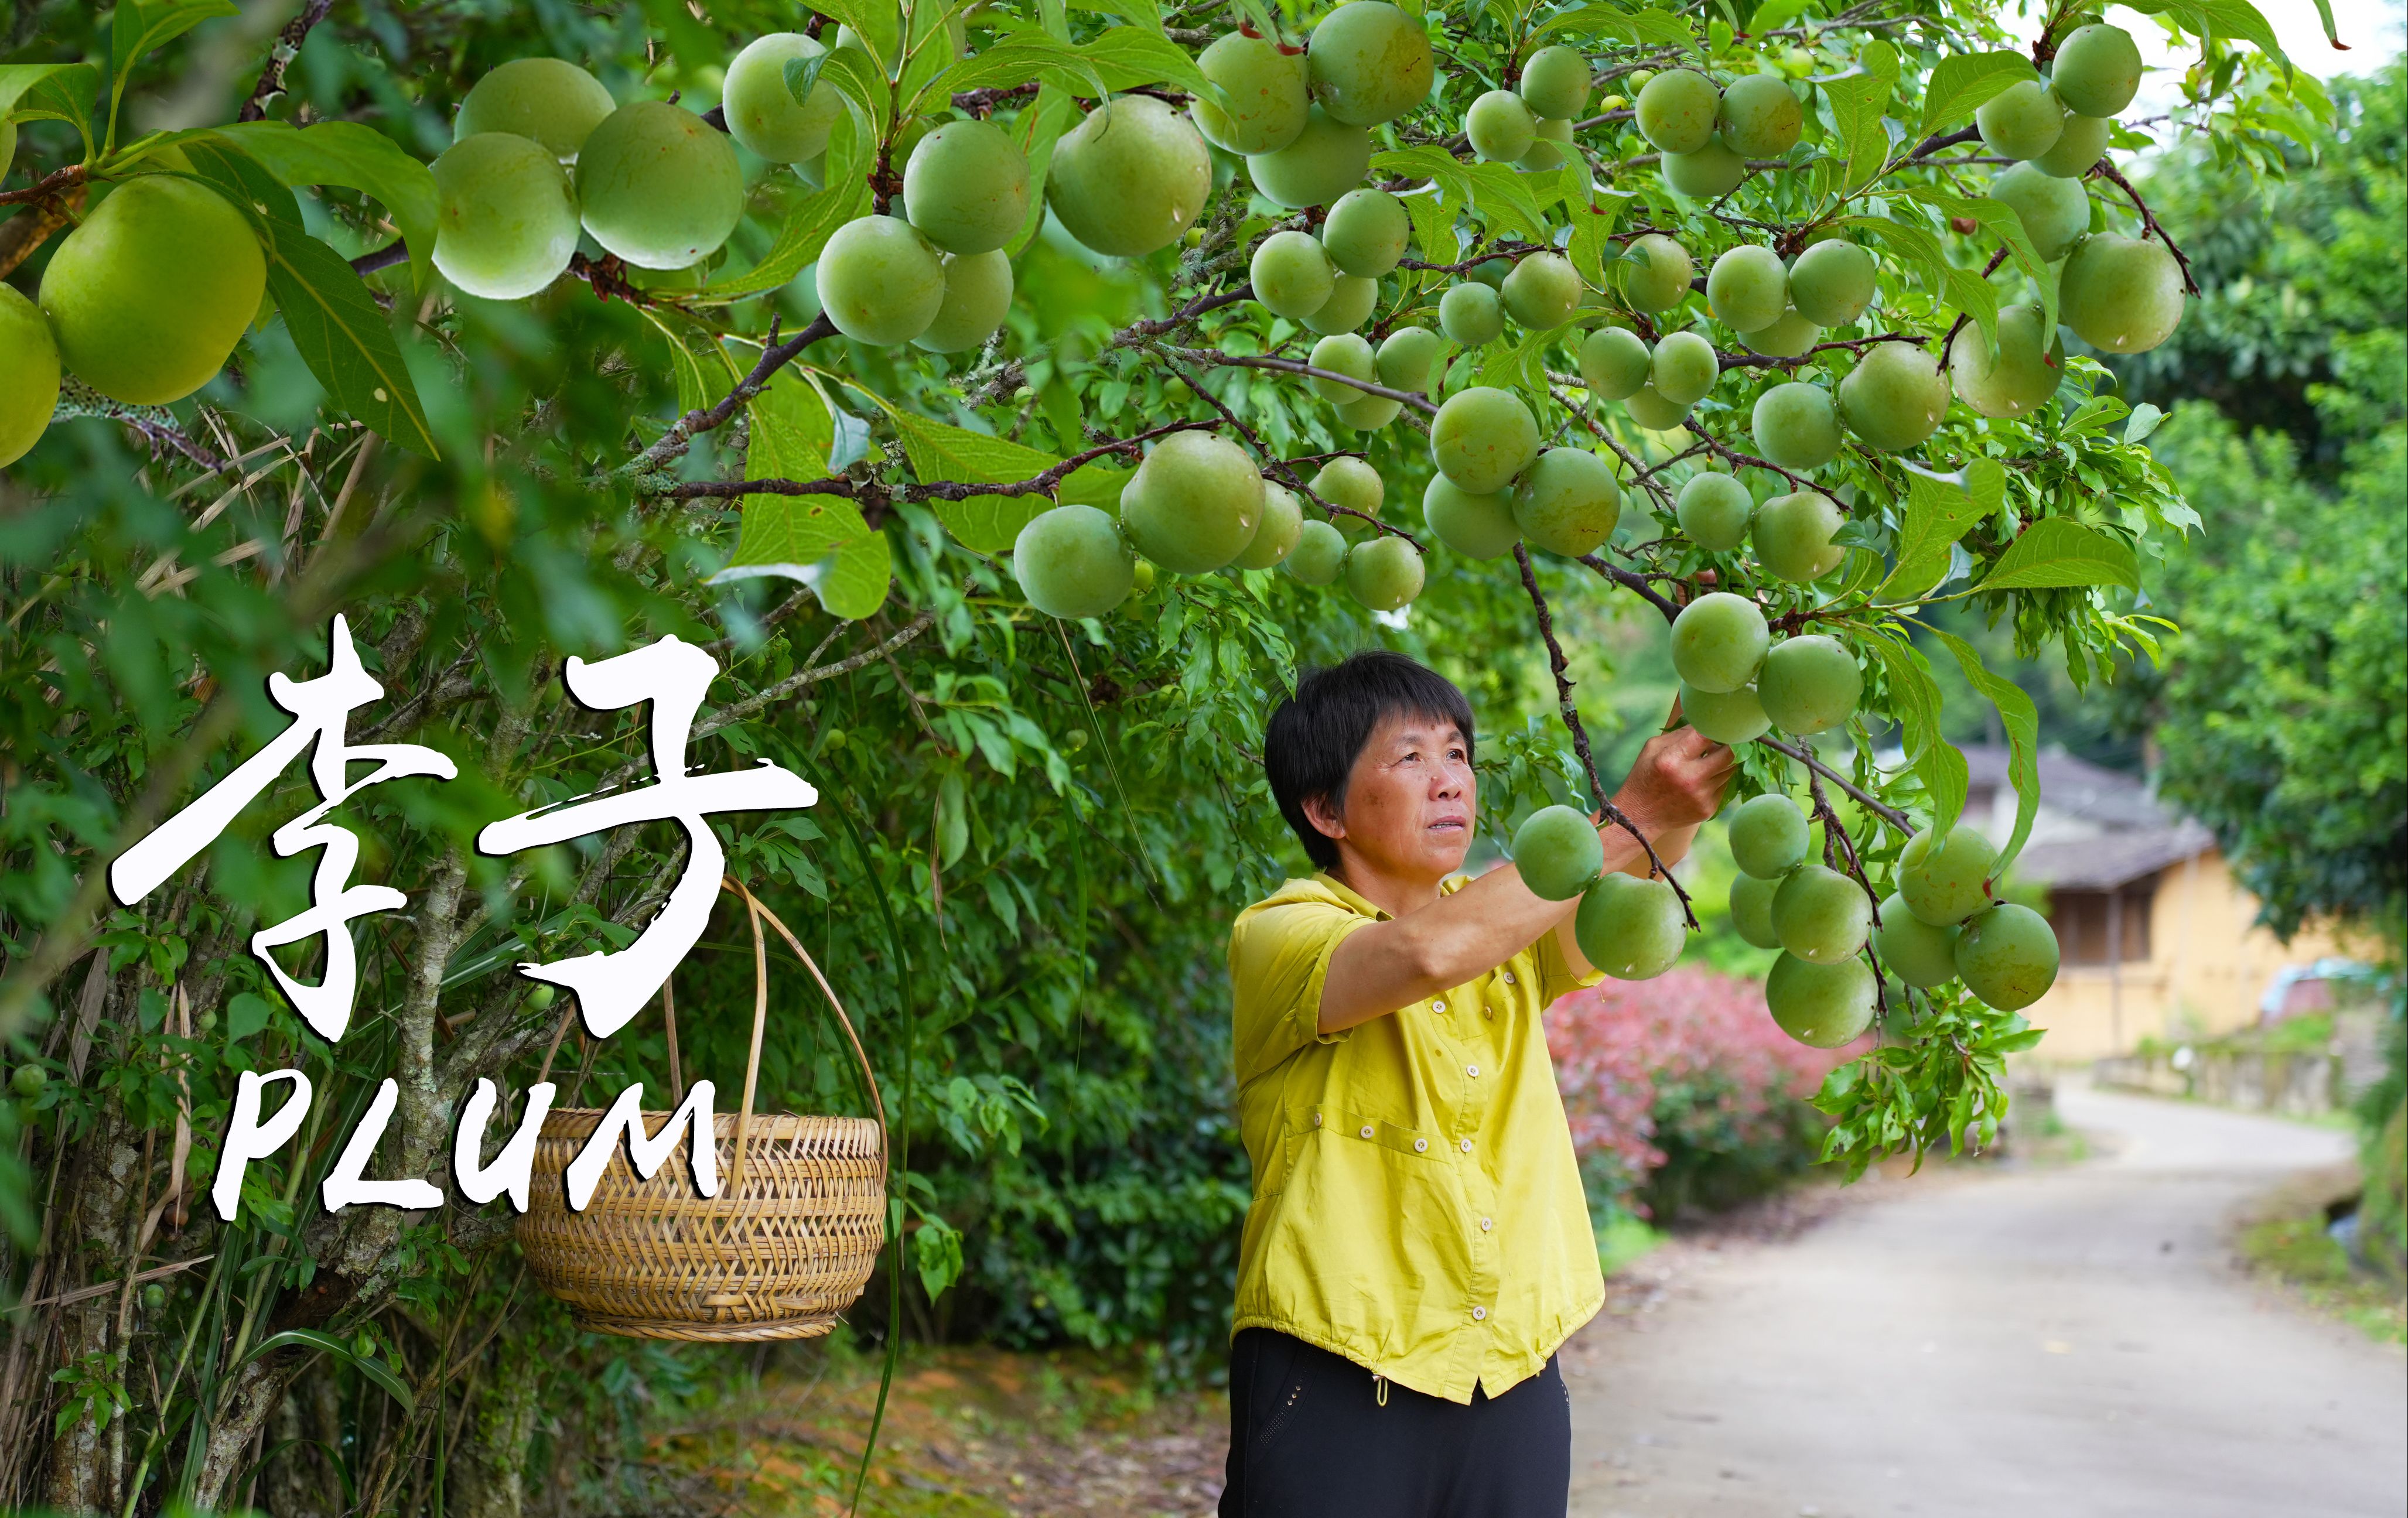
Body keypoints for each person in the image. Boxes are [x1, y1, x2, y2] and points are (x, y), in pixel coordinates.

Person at [1219, 650, 1734, 1517]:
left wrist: (1713, 674)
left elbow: (1640, 870)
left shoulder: (1508, 931)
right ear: (1325, 810)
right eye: (1410, 757)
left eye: (1458, 754)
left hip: (1514, 1375)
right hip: (1339, 1366)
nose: (1449, 779)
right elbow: (1426, 953)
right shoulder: (1281, 935)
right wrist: (1626, 817)